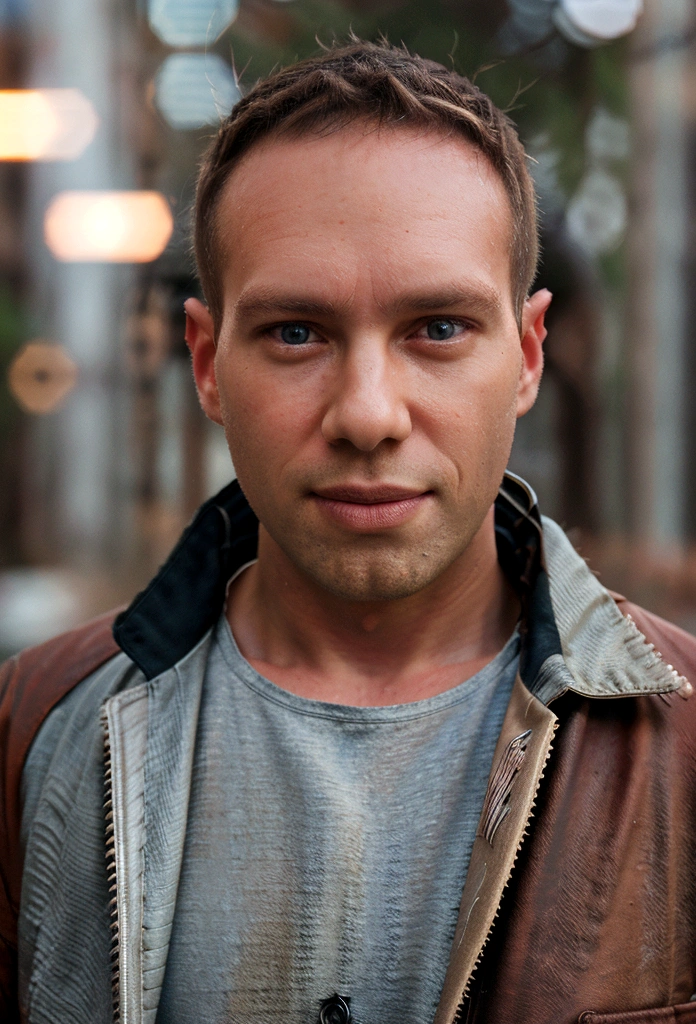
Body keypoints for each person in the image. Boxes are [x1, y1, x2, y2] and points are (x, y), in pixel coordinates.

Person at [2, 39, 696, 1024]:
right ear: (207, 364)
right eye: (297, 333)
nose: (368, 414)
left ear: (528, 353)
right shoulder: (32, 731)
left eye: (439, 328)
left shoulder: (684, 749)